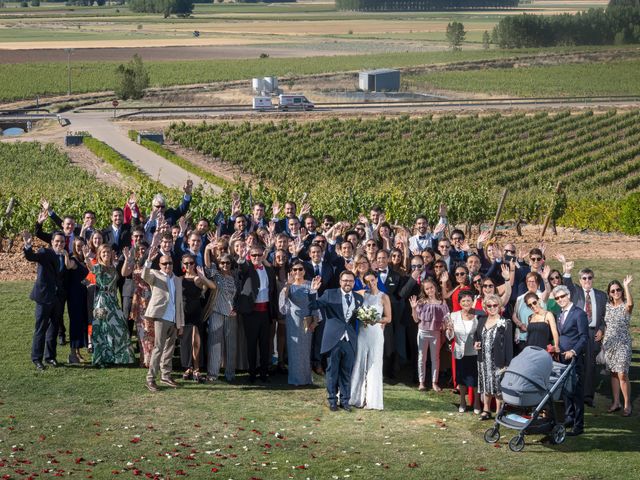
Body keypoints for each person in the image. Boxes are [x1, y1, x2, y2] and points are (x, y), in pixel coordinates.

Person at [309, 270, 364, 412]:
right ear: (340, 282)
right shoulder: (329, 293)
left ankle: (345, 401)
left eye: (350, 281)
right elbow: (313, 305)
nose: (347, 283)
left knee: (346, 372)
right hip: (333, 339)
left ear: (353, 283)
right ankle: (332, 400)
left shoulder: (359, 298)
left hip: (349, 340)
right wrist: (313, 291)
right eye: (345, 280)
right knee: (332, 371)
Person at [560, 258, 606, 408]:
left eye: (589, 278)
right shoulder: (575, 291)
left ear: (593, 279)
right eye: (584, 278)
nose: (587, 281)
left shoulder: (601, 295)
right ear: (580, 280)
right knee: (576, 364)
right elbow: (566, 285)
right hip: (578, 333)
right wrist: (567, 271)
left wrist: (601, 329)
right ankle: (572, 394)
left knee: (590, 366)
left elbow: (605, 317)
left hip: (593, 333)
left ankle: (587, 396)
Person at [23, 230, 72, 370]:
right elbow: (31, 257)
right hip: (44, 297)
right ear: (52, 242)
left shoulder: (64, 255)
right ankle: (37, 359)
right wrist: (27, 246)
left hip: (57, 298)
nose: (59, 244)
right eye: (57, 241)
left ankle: (50, 357)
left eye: (62, 242)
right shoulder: (45, 253)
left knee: (54, 328)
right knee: (41, 329)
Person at [143, 247, 185, 392]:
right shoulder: (155, 274)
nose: (167, 266)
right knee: (158, 348)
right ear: (159, 265)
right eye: (164, 264)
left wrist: (180, 323)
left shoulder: (177, 280)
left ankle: (166, 375)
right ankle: (150, 379)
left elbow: (179, 302)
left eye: (170, 263)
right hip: (161, 317)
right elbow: (144, 275)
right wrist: (149, 260)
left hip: (174, 318)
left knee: (169, 349)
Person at [86, 244, 135, 367]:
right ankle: (101, 359)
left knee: (120, 328)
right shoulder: (98, 267)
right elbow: (91, 269)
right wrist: (87, 258)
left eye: (108, 252)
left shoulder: (113, 267)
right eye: (103, 252)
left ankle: (120, 357)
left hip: (113, 301)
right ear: (99, 254)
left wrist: (127, 259)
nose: (106, 254)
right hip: (101, 301)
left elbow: (123, 273)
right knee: (101, 329)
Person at [236, 245, 279, 383]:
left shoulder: (269, 270)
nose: (256, 258)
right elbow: (241, 269)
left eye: (259, 255)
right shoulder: (247, 268)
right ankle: (252, 373)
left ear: (263, 256)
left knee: (265, 344)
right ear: (250, 256)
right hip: (251, 313)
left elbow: (273, 291)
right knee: (251, 345)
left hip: (265, 312)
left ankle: (264, 373)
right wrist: (242, 259)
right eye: (253, 255)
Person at [350, 270, 392, 410]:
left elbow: (389, 318)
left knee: (374, 364)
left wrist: (375, 319)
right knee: (359, 361)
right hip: (362, 332)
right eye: (367, 281)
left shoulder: (383, 296)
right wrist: (362, 316)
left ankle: (372, 400)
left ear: (376, 279)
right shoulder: (362, 294)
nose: (370, 283)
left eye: (372, 280)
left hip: (376, 333)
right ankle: (356, 397)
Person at [553, 284, 589, 436]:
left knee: (576, 392)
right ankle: (569, 418)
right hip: (561, 358)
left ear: (569, 296)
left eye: (562, 296)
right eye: (557, 298)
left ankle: (578, 426)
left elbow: (584, 337)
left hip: (575, 359)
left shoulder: (579, 313)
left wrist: (573, 351)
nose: (560, 299)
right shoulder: (559, 314)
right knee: (566, 391)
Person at [475, 294, 513, 420]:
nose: (492, 308)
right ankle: (486, 410)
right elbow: (476, 336)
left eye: (495, 305)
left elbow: (508, 344)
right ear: (485, 307)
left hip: (498, 360)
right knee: (485, 385)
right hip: (483, 360)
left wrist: (508, 363)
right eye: (489, 306)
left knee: (497, 386)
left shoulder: (505, 322)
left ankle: (498, 412)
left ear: (499, 306)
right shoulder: (481, 320)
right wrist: (476, 343)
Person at [180, 254, 216, 383]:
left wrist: (202, 276)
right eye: (186, 263)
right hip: (183, 314)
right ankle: (188, 368)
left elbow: (212, 287)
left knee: (196, 342)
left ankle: (196, 368)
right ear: (182, 265)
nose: (188, 265)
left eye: (191, 263)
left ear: (194, 264)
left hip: (196, 313)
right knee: (185, 342)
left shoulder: (197, 279)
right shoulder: (179, 279)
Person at [410, 277, 450, 392]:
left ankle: (434, 383)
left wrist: (447, 328)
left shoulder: (442, 302)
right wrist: (413, 308)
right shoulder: (421, 302)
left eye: (431, 288)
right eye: (427, 289)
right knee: (421, 358)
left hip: (436, 333)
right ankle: (421, 382)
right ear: (424, 290)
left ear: (435, 288)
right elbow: (416, 319)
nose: (429, 290)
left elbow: (447, 319)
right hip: (422, 332)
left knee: (435, 358)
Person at [279, 260, 314, 386]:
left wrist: (315, 320)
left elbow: (316, 303)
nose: (297, 272)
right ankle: (295, 379)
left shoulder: (311, 285)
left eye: (300, 269)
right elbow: (282, 304)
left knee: (305, 349)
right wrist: (287, 285)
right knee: (294, 349)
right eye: (295, 270)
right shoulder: (289, 285)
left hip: (307, 320)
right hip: (293, 320)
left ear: (304, 271)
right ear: (291, 272)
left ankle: (306, 378)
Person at [445, 290, 481, 414]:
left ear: (472, 302)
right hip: (460, 352)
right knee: (461, 380)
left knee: (476, 380)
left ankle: (476, 403)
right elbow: (449, 337)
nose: (466, 303)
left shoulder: (478, 314)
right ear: (460, 303)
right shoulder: (453, 315)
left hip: (475, 352)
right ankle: (462, 401)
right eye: (463, 301)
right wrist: (449, 330)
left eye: (469, 300)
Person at [205, 253, 238, 382]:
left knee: (231, 345)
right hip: (217, 312)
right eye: (222, 263)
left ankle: (230, 374)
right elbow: (208, 265)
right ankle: (213, 374)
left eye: (227, 263)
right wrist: (208, 249)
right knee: (215, 344)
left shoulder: (235, 277)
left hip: (231, 314)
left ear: (231, 264)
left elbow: (238, 296)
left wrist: (236, 309)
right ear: (219, 264)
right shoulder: (216, 274)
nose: (224, 265)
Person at [603, 276, 633, 417]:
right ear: (609, 293)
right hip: (609, 344)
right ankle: (616, 402)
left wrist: (626, 286)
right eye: (613, 291)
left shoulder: (626, 306)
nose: (616, 292)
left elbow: (631, 304)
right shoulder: (608, 307)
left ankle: (627, 403)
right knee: (614, 373)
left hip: (623, 344)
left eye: (618, 290)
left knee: (622, 373)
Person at [125, 241, 153, 367]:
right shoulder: (133, 263)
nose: (142, 251)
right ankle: (143, 359)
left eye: (144, 249)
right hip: (138, 299)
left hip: (150, 298)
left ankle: (151, 359)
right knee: (141, 330)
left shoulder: (152, 263)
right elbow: (124, 273)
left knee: (150, 330)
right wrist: (127, 259)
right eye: (140, 249)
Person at [67, 237, 89, 364]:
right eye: (78, 246)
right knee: (75, 324)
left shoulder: (85, 259)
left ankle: (79, 352)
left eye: (82, 245)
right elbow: (69, 265)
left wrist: (85, 282)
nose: (80, 248)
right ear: (74, 247)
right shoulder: (73, 259)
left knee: (82, 323)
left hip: (85, 295)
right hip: (74, 296)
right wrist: (65, 255)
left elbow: (90, 275)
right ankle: (72, 354)